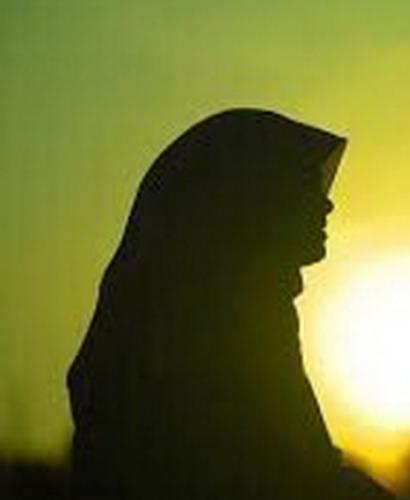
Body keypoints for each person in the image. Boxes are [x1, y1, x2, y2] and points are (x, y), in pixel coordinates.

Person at [68, 109, 392, 500]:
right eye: (305, 185)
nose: (326, 205)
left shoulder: (251, 305)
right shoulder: (222, 321)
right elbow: (286, 471)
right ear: (257, 197)